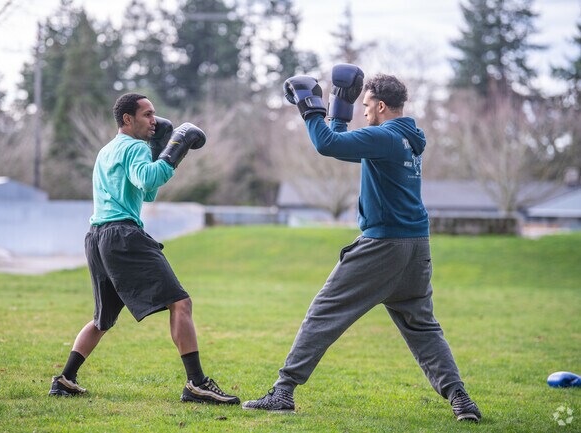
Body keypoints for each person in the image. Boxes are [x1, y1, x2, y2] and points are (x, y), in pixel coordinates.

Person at [242, 67, 481, 422]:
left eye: (366, 105)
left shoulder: (384, 138)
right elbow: (341, 146)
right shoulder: (407, 137)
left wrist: (310, 106)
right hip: (416, 247)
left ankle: (283, 391)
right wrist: (339, 108)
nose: (364, 111)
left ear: (382, 106)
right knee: (423, 328)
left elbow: (326, 144)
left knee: (324, 312)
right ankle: (460, 398)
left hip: (383, 246)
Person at [49, 93, 239, 405]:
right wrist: (174, 150)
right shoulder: (133, 146)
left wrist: (155, 151)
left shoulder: (107, 150)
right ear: (128, 119)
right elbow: (149, 176)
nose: (154, 120)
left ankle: (65, 379)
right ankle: (196, 384)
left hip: (97, 237)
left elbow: (146, 191)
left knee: (103, 319)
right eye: (147, 114)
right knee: (181, 303)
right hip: (123, 236)